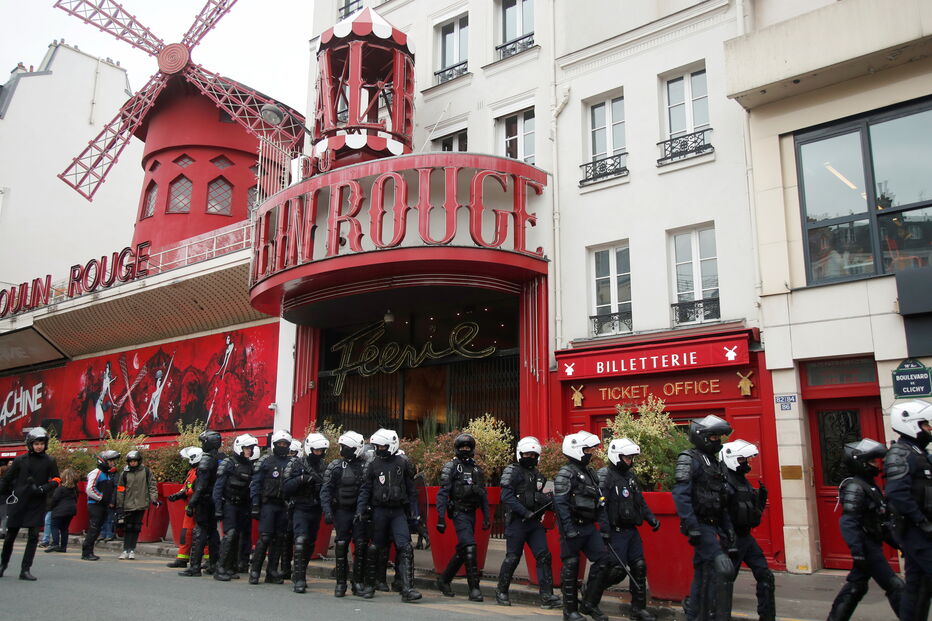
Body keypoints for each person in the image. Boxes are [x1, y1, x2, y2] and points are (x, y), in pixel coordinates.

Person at [826, 438, 903, 620]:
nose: (877, 465)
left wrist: (897, 543)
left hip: (871, 544)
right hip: (867, 546)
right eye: (872, 461)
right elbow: (848, 522)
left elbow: (881, 519)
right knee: (895, 586)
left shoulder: (870, 486)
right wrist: (858, 551)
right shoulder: (855, 486)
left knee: (856, 586)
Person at [554, 430, 624, 621]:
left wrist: (605, 529)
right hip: (573, 527)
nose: (590, 453)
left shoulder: (591, 474)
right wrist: (567, 529)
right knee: (571, 565)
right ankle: (569, 611)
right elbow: (560, 504)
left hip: (589, 527)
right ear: (576, 450)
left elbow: (600, 502)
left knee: (603, 562)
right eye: (586, 450)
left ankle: (589, 603)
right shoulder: (565, 473)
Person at [673, 414, 735, 621]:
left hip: (714, 524)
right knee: (722, 569)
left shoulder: (715, 462)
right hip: (700, 523)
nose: (717, 441)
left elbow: (721, 497)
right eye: (713, 437)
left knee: (704, 571)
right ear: (701, 436)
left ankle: (696, 615)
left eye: (719, 437)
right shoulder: (689, 459)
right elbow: (681, 494)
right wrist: (691, 526)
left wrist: (727, 528)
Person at [495, 435, 561, 609]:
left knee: (544, 556)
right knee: (513, 558)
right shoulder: (512, 470)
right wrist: (525, 511)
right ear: (520, 454)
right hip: (517, 521)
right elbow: (506, 496)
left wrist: (548, 500)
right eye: (527, 454)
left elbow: (544, 495)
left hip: (534, 523)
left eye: (533, 455)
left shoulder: (538, 475)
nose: (530, 457)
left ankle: (547, 596)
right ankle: (501, 591)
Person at [356, 428, 422, 602]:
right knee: (375, 547)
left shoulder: (403, 463)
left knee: (405, 547)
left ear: (392, 445)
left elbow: (411, 489)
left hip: (398, 511)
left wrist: (415, 513)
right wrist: (360, 509)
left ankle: (408, 588)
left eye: (382, 446)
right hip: (379, 511)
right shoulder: (372, 464)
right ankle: (370, 585)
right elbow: (365, 489)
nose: (379, 449)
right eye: (377, 446)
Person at [598, 438, 661, 621]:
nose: (630, 461)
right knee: (616, 571)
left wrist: (651, 519)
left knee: (639, 567)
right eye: (627, 457)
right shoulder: (605, 475)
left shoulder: (631, 477)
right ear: (616, 456)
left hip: (632, 530)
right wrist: (604, 530)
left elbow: (639, 501)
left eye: (632, 457)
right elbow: (601, 506)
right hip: (616, 531)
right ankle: (593, 590)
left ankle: (638, 609)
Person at [884, 399, 932, 620]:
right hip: (915, 530)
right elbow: (897, 492)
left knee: (918, 586)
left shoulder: (918, 452)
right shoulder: (901, 453)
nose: (929, 429)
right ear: (911, 424)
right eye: (925, 424)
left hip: (921, 529)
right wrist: (921, 521)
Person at [721, 440, 775, 621]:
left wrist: (759, 502)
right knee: (724, 583)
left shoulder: (743, 482)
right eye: (742, 459)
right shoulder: (724, 483)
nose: (746, 463)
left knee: (765, 575)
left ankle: (767, 616)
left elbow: (752, 516)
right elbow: (721, 513)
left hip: (746, 537)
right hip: (731, 539)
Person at [436, 433, 491, 602]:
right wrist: (440, 517)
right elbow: (442, 493)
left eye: (468, 448)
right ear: (457, 449)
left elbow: (483, 495)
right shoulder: (451, 467)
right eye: (462, 448)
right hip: (459, 512)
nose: (465, 450)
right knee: (470, 547)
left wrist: (486, 517)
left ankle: (444, 579)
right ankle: (474, 589)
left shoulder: (476, 470)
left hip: (472, 512)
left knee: (463, 549)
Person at [0, 427, 60, 580]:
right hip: (19, 501)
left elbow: (56, 479)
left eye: (41, 443)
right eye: (36, 443)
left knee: (33, 537)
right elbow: (7, 479)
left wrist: (43, 489)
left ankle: (25, 570)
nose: (39, 446)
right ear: (30, 444)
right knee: (10, 536)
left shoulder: (50, 461)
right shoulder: (20, 460)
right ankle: (2, 565)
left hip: (37, 502)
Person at [321, 430, 367, 597]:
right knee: (341, 546)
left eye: (346, 447)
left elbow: (368, 490)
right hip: (342, 511)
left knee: (361, 547)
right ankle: (341, 583)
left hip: (360, 512)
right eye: (342, 446)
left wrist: (363, 510)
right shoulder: (335, 466)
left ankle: (358, 582)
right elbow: (326, 490)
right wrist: (327, 511)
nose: (343, 449)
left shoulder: (366, 466)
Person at [283, 432, 328, 593]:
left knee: (310, 543)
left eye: (321, 450)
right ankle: (299, 579)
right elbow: (286, 487)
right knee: (300, 540)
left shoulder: (323, 466)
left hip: (316, 508)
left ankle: (300, 571)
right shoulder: (296, 464)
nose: (319, 453)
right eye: (316, 450)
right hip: (300, 507)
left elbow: (327, 487)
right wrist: (301, 479)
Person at [248, 429, 293, 584]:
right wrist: (255, 504)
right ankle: (255, 571)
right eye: (279, 443)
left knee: (279, 539)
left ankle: (272, 572)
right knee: (265, 538)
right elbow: (256, 484)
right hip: (268, 504)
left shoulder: (291, 463)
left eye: (285, 444)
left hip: (283, 506)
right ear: (274, 444)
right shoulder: (266, 461)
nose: (282, 446)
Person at [179, 429, 225, 577]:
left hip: (205, 500)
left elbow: (200, 485)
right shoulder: (222, 458)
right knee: (213, 533)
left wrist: (192, 503)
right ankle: (213, 564)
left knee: (200, 532)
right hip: (216, 499)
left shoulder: (206, 460)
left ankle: (195, 566)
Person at [212, 433, 259, 581]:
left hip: (243, 506)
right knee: (230, 535)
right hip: (230, 504)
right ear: (239, 447)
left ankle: (230, 567)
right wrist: (218, 508)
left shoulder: (249, 465)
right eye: (247, 448)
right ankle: (220, 568)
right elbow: (218, 488)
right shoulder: (229, 463)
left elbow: (252, 488)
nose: (249, 451)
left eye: (251, 448)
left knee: (238, 536)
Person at [115, 449, 159, 560]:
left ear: (139, 461)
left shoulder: (146, 471)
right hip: (128, 504)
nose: (133, 463)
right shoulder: (124, 473)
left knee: (136, 527)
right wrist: (120, 504)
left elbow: (152, 485)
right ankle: (125, 549)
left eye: (135, 461)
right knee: (127, 527)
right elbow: (120, 489)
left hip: (141, 503)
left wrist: (153, 498)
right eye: (131, 461)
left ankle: (132, 550)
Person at [166, 447, 203, 568]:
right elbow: (186, 487)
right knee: (186, 533)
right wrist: (178, 495)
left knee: (202, 533)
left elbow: (195, 490)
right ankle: (182, 559)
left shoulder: (201, 472)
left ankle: (208, 560)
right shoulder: (192, 471)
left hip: (198, 506)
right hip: (190, 506)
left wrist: (184, 494)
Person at [81, 449, 120, 561]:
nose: (113, 463)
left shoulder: (106, 474)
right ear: (104, 461)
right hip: (95, 505)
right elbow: (89, 489)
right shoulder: (96, 472)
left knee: (97, 529)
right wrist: (101, 498)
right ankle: (86, 552)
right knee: (94, 529)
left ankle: (90, 552)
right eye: (111, 461)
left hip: (102, 505)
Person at [44, 468, 79, 553]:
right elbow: (76, 498)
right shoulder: (74, 489)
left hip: (60, 510)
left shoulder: (61, 489)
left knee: (54, 526)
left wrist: (50, 507)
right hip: (71, 510)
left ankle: (55, 543)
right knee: (64, 528)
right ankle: (63, 547)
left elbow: (55, 499)